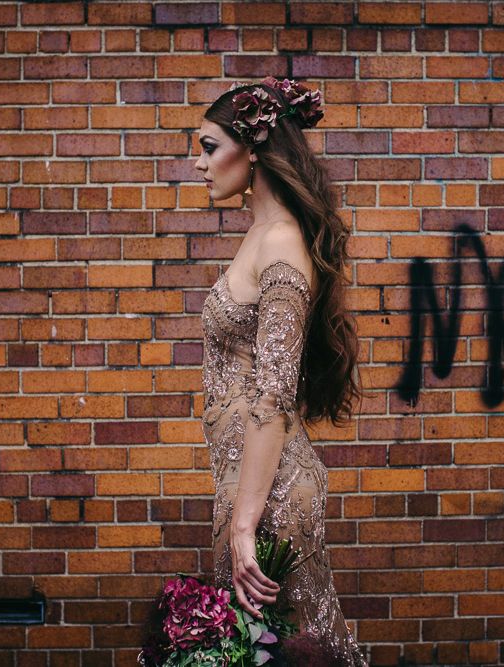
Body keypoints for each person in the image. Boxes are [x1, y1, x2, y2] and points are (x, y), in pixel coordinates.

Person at [194, 77, 369, 666]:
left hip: (268, 500)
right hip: (248, 488)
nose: (200, 163)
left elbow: (274, 395)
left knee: (293, 654)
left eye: (209, 146)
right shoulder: (262, 235)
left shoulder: (283, 245)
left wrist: (244, 525)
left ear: (255, 148)